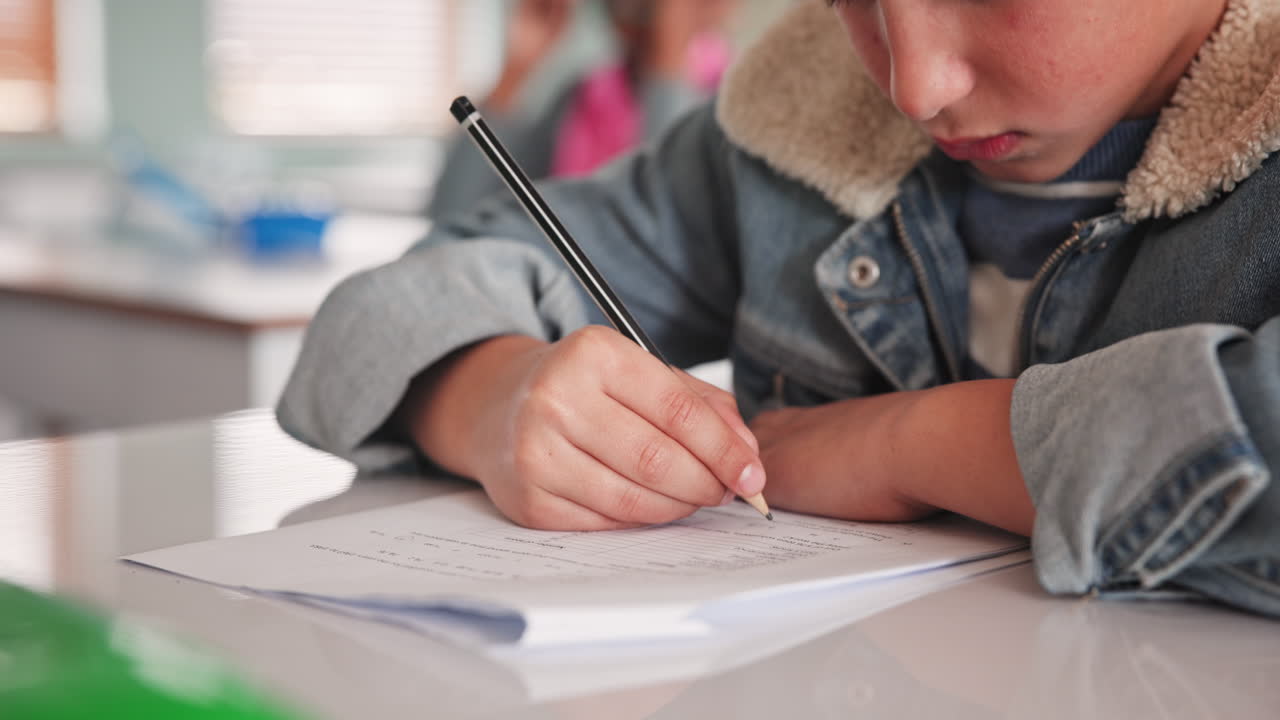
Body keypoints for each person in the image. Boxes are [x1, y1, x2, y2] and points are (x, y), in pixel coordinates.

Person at [280, 0, 1280, 617]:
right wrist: (493, 397)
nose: (913, 83)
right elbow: (370, 318)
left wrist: (909, 445)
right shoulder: (789, 132)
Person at [426, 0, 737, 218]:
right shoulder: (580, 102)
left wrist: (669, 65)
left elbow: (668, 232)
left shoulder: (737, 108)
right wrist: (516, 67)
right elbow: (453, 209)